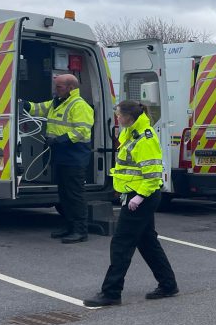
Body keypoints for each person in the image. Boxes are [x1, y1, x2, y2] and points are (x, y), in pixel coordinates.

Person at [84, 101, 178, 307]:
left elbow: (152, 175)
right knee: (147, 242)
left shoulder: (144, 138)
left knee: (121, 243)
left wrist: (139, 197)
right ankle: (168, 284)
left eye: (119, 115)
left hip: (142, 197)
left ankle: (111, 292)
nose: (117, 118)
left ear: (129, 117)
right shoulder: (131, 133)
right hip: (136, 195)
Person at [21, 74, 94, 244]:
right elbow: (38, 108)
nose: (56, 89)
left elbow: (81, 131)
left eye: (59, 86)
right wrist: (24, 104)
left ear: (70, 88)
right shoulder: (57, 102)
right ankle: (69, 226)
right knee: (64, 195)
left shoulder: (79, 105)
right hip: (61, 156)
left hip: (74, 157)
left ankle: (80, 230)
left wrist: (59, 140)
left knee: (75, 195)